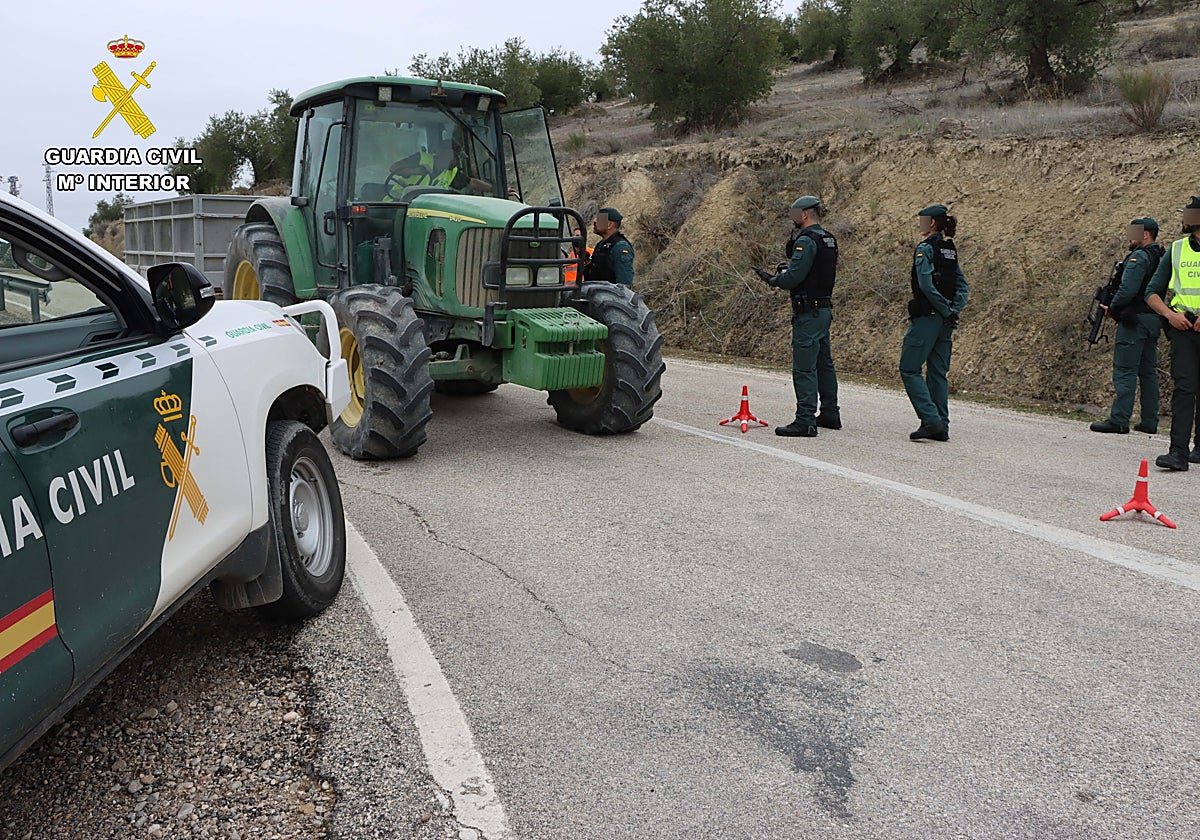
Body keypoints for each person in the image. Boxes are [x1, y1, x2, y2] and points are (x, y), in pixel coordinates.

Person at [752, 195, 841, 437]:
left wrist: (774, 278)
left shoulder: (807, 240)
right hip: (823, 309)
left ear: (803, 214)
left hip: (808, 312)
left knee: (804, 368)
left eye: (794, 213)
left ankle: (805, 420)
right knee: (824, 364)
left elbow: (793, 278)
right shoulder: (829, 239)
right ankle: (831, 413)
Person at [900, 204, 969, 442]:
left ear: (931, 223)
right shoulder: (950, 249)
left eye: (922, 220)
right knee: (938, 373)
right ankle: (942, 424)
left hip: (928, 318)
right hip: (944, 321)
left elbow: (926, 285)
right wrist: (952, 310)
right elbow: (962, 286)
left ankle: (931, 420)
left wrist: (943, 309)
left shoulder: (926, 249)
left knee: (909, 368)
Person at [1090, 217, 1165, 434]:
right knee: (1148, 372)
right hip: (1153, 318)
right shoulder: (1159, 256)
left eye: (1134, 232)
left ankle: (1120, 419)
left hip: (1135, 321)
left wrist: (1112, 309)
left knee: (1125, 371)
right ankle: (1150, 422)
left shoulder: (1139, 257)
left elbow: (1127, 290)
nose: (1129, 237)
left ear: (1145, 235)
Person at [1144, 195, 1200, 471]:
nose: (1183, 220)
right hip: (1184, 328)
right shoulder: (1176, 250)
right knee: (1185, 387)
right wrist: (1170, 315)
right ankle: (1178, 451)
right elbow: (1152, 293)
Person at [583, 208, 634, 287]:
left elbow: (624, 286)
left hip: (610, 297)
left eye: (599, 219)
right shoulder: (601, 245)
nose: (595, 221)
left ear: (610, 225)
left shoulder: (620, 247)